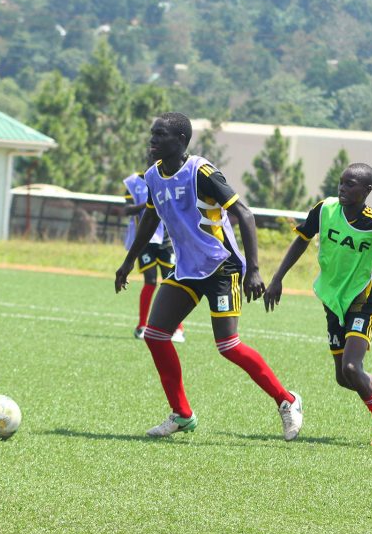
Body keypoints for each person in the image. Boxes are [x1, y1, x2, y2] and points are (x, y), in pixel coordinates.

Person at [115, 112, 303, 440]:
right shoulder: (152, 175)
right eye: (152, 134)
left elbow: (244, 213)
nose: (153, 140)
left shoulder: (200, 172)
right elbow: (150, 217)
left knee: (228, 346)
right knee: (155, 334)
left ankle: (287, 401)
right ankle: (181, 414)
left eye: (160, 135)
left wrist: (254, 269)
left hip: (221, 266)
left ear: (181, 142)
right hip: (186, 268)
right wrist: (128, 261)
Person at [263, 163, 372, 447]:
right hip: (332, 300)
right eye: (341, 183)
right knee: (344, 377)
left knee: (351, 367)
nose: (343, 188)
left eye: (350, 184)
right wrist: (277, 278)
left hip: (363, 300)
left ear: (366, 190)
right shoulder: (325, 209)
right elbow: (301, 240)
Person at [122, 159, 185, 342]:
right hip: (146, 239)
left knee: (172, 283)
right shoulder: (135, 182)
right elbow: (127, 210)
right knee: (150, 281)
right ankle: (142, 326)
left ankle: (177, 329)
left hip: (168, 240)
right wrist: (150, 205)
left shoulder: (174, 180)